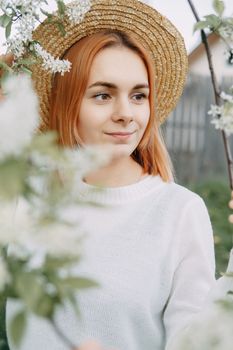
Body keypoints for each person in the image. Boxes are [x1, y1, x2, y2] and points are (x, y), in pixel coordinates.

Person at [2, 0, 216, 349]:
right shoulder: (26, 194)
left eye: (138, 95)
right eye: (102, 95)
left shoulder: (179, 213)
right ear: (64, 100)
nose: (125, 114)